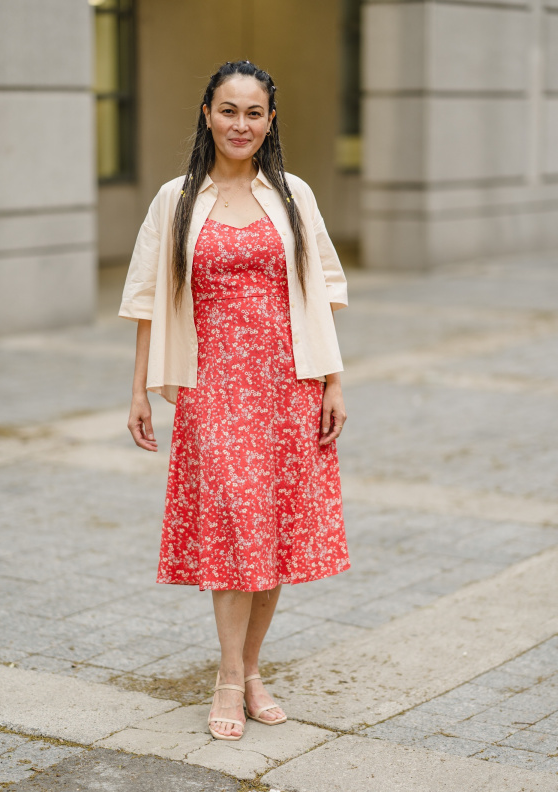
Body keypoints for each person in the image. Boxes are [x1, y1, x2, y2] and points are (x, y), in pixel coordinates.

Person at [119, 60, 351, 742]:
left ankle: (250, 671)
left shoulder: (293, 195)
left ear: (270, 120)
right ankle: (227, 675)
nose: (240, 124)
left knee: (270, 531)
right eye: (228, 110)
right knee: (234, 523)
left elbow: (324, 287)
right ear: (207, 112)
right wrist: (138, 390)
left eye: (253, 112)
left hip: (289, 383)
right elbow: (146, 300)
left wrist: (335, 379)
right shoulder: (176, 199)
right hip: (211, 386)